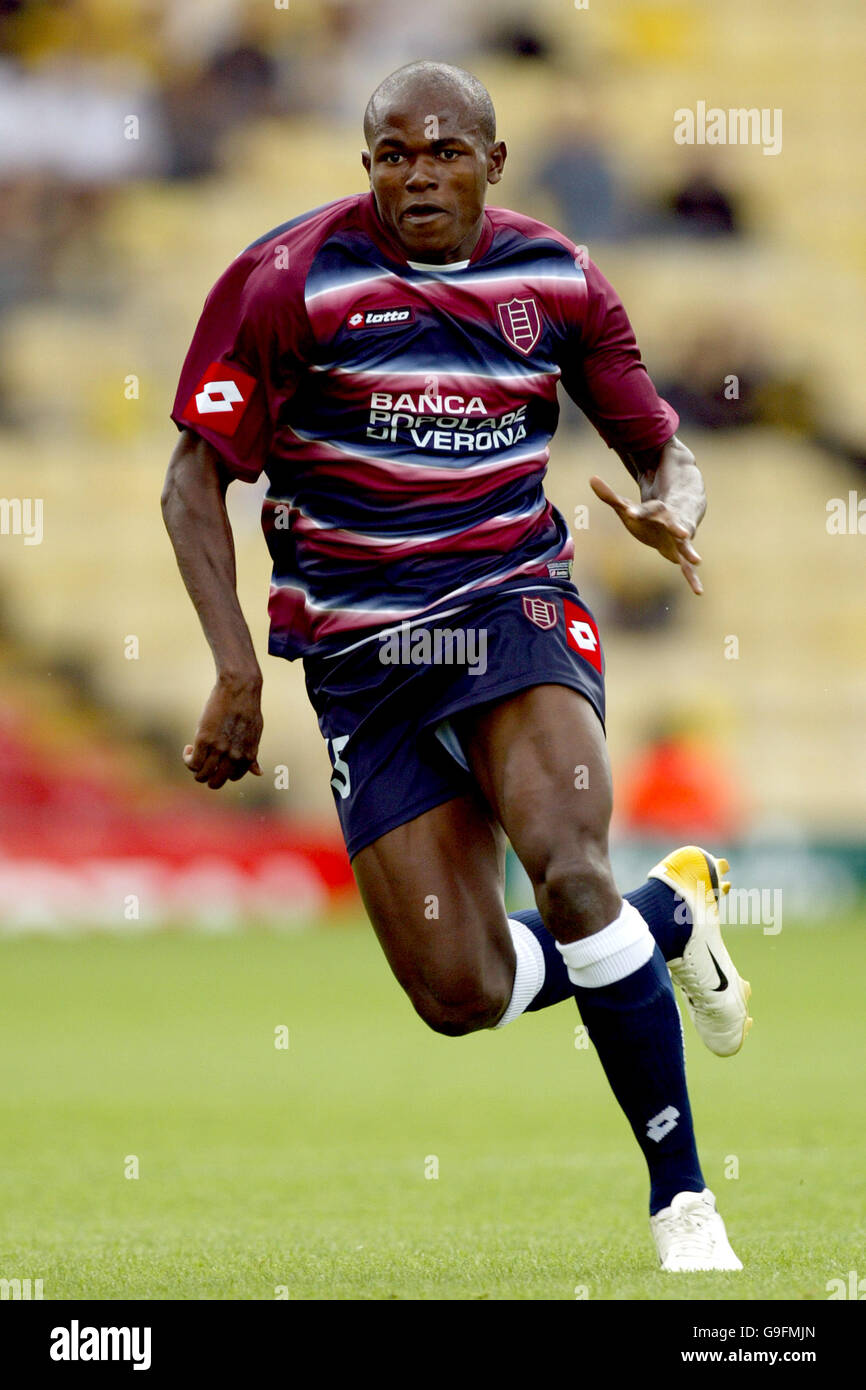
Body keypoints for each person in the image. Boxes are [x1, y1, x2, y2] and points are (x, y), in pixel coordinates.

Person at [162, 60, 752, 1273]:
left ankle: (683, 1205)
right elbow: (191, 480)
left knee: (571, 870)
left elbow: (662, 449)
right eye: (389, 153)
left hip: (508, 609)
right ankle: (670, 913)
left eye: (441, 151)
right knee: (458, 992)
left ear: (494, 155)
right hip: (357, 652)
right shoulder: (287, 282)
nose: (415, 173)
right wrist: (235, 671)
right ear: (364, 163)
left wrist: (668, 508)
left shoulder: (559, 279)